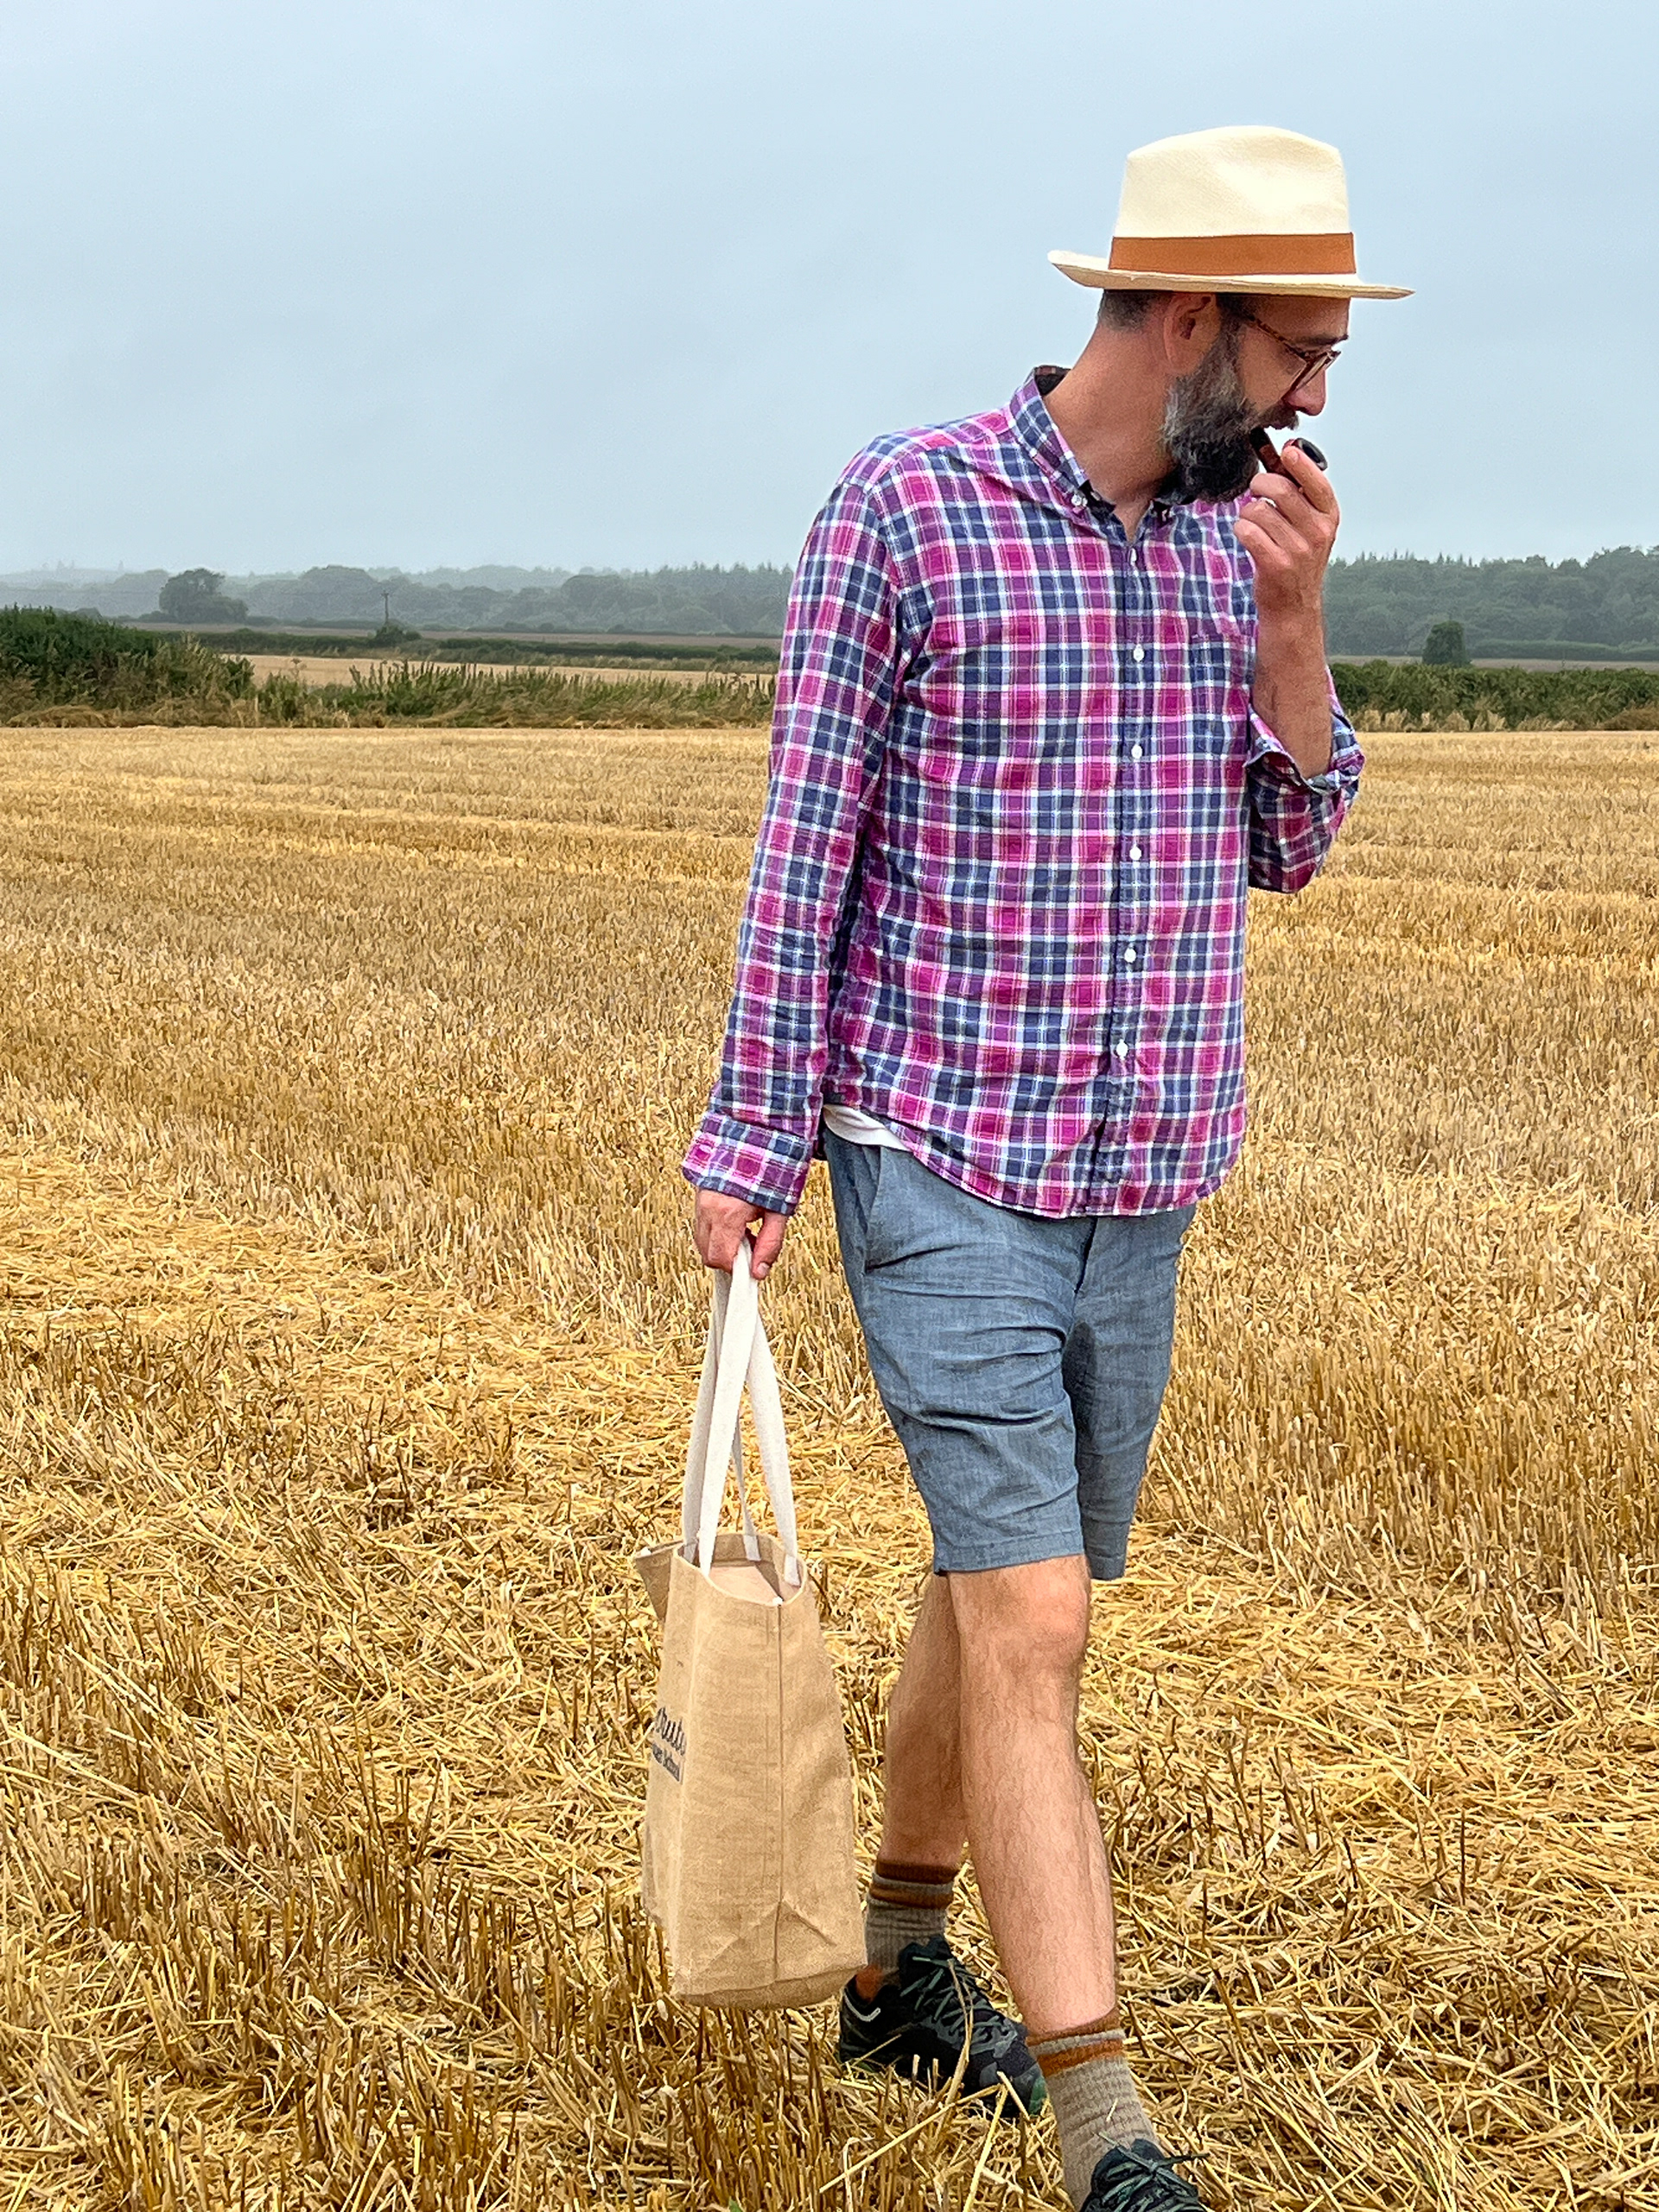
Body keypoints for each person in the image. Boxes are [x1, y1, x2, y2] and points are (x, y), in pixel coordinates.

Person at [683, 124, 1408, 2212]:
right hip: (944, 1158)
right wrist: (753, 1139)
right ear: (1185, 322)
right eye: (1302, 347)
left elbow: (1292, 838)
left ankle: (901, 1969)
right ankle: (1113, 2132)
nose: (1321, 397)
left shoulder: (1237, 546)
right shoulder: (905, 516)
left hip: (1147, 1169)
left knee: (1003, 1592)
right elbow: (803, 851)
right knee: (1035, 1622)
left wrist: (1297, 631)